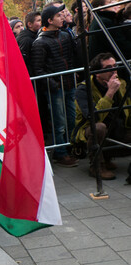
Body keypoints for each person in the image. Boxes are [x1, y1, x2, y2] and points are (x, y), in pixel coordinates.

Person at [31, 3, 79, 167]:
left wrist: (74, 74)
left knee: (71, 119)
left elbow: (73, 57)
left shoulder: (65, 35)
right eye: (58, 16)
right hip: (55, 89)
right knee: (59, 123)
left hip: (69, 84)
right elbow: (38, 69)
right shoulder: (39, 43)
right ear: (49, 20)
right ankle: (60, 153)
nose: (62, 17)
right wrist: (54, 84)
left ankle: (72, 147)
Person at [74, 53, 131, 181]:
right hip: (93, 133)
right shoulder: (84, 90)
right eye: (108, 68)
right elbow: (93, 117)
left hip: (119, 130)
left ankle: (108, 157)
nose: (114, 70)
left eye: (115, 66)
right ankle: (97, 166)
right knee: (99, 127)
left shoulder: (121, 83)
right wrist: (110, 93)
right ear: (98, 73)